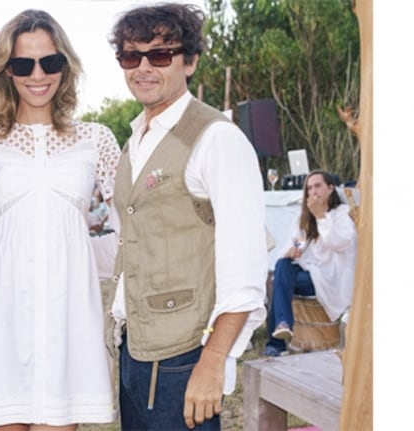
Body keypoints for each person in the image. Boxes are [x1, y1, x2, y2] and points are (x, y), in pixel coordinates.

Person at [105, 4, 268, 430]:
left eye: (160, 55)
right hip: (133, 349)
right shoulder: (135, 140)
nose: (142, 67)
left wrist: (214, 362)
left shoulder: (217, 139)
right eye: (130, 56)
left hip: (184, 357)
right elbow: (132, 242)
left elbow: (245, 267)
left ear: (190, 60)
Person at [0, 9, 121, 430]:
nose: (37, 75)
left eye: (49, 62)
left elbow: (132, 226)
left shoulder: (97, 139)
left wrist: (82, 258)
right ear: (6, 72)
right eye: (22, 64)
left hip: (67, 315)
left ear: (64, 66)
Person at [263, 169, 357, 357]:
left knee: (279, 279)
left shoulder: (343, 214)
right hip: (307, 274)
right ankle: (282, 326)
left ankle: (276, 344)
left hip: (331, 279)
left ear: (330, 188)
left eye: (318, 186)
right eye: (309, 188)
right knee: (282, 266)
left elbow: (338, 243)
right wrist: (290, 252)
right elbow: (289, 247)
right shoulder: (303, 218)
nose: (313, 191)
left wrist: (321, 216)